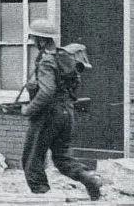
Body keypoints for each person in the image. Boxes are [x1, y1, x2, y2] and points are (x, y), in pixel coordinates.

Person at [20, 19, 101, 200]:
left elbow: (46, 92)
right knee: (62, 157)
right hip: (66, 113)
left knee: (32, 159)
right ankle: (88, 179)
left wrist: (29, 109)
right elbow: (74, 85)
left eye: (34, 39)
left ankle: (42, 196)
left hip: (47, 116)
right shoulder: (65, 58)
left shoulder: (47, 61)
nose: (33, 42)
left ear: (41, 40)